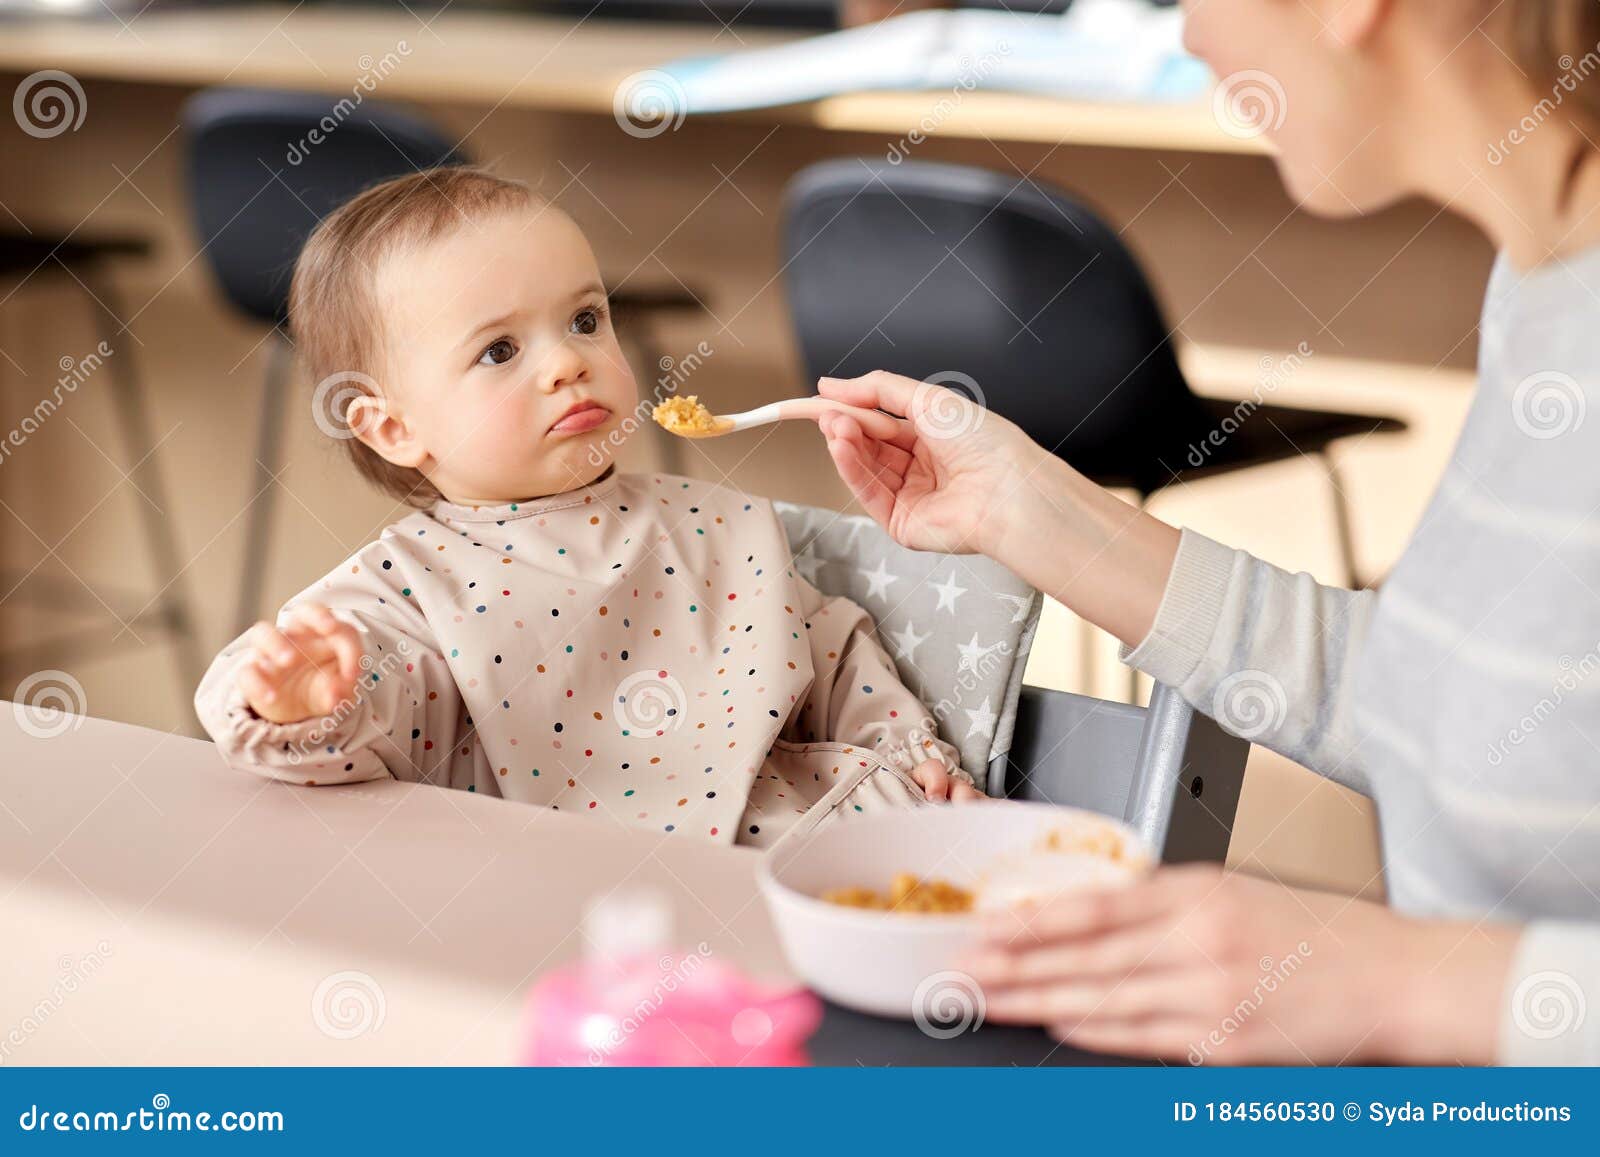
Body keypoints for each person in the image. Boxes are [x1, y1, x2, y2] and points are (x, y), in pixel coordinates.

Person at [812, 0, 1600, 1064]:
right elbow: (1461, 710)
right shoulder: (1547, 281)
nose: (1187, 36)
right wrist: (1022, 507)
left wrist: (1406, 983)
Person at [194, 166, 981, 855]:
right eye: (500, 351)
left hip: (797, 848)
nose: (570, 362)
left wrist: (910, 754)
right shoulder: (405, 594)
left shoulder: (716, 524)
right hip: (564, 899)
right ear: (394, 426)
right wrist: (299, 707)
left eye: (584, 320)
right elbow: (346, 711)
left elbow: (834, 656)